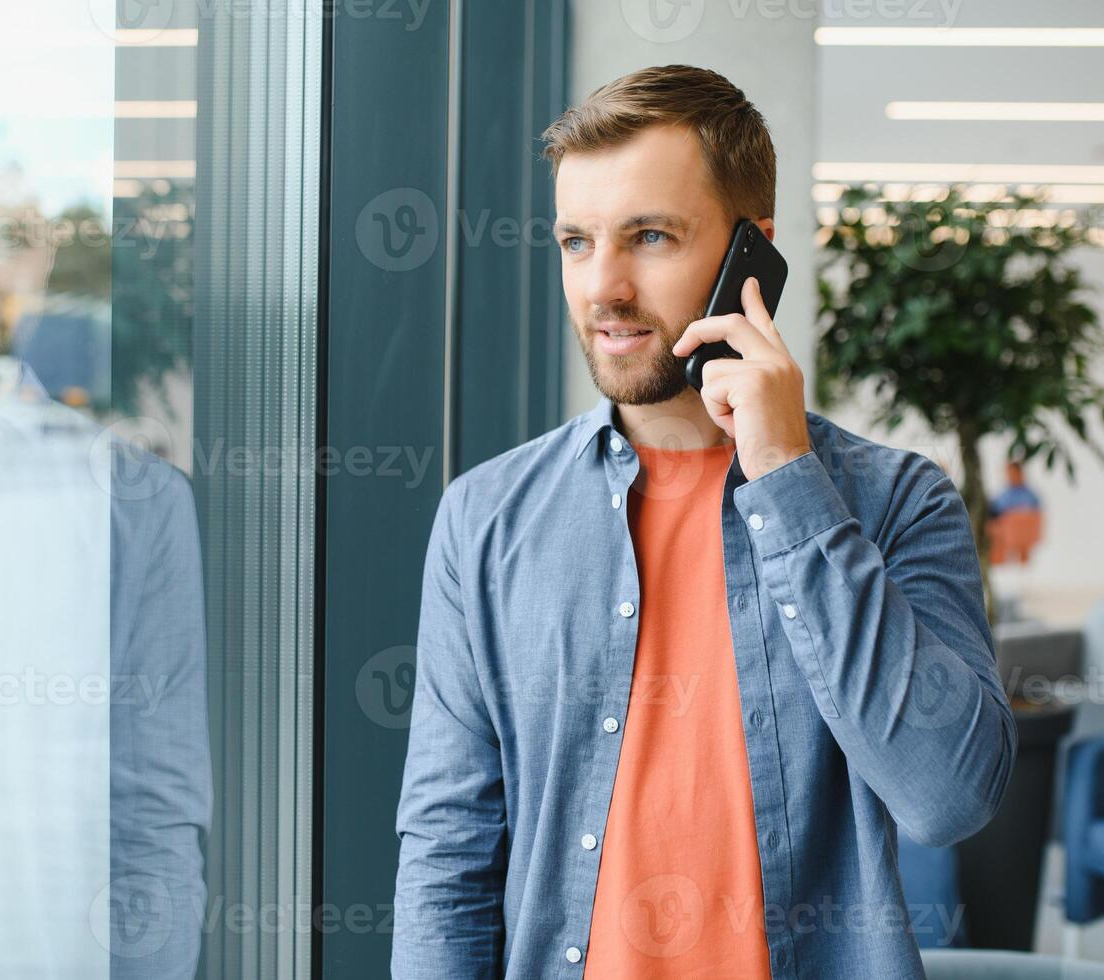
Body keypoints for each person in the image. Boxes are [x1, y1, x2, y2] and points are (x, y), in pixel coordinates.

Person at [392, 64, 1015, 979]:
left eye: (649, 236)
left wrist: (786, 476)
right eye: (576, 242)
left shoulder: (896, 501)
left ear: (749, 254)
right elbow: (447, 850)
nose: (602, 287)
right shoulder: (485, 517)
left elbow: (948, 798)